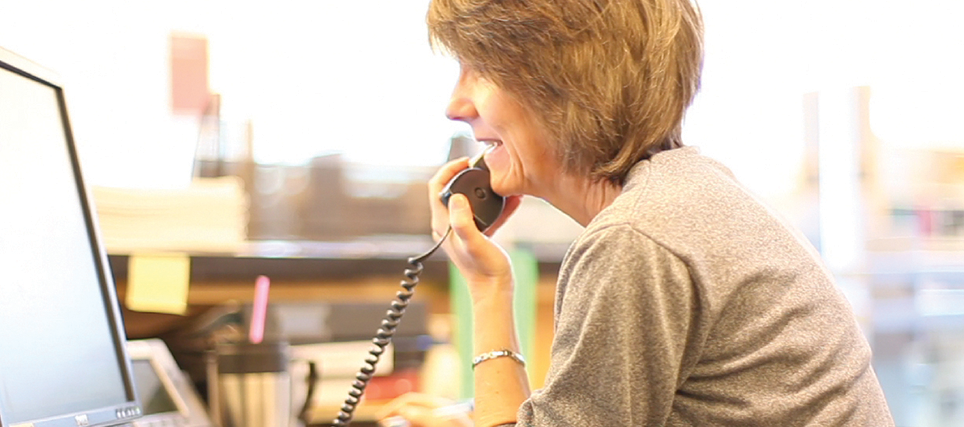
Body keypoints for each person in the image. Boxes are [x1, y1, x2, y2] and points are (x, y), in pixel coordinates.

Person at [380, 0, 894, 425]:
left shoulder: (636, 237)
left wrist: (487, 291)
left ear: (565, 83)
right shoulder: (689, 192)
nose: (454, 105)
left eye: (481, 70)